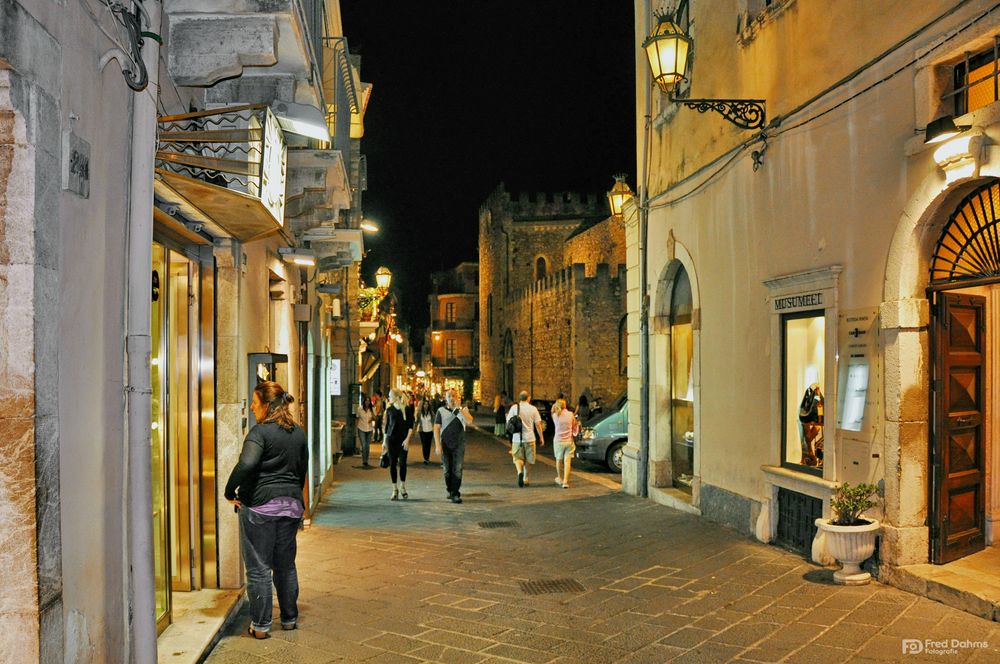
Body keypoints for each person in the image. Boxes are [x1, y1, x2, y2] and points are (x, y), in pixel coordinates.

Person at [224, 381, 307, 638]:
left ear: (268, 405)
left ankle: (260, 625)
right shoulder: (299, 432)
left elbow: (246, 463)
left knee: (259, 567)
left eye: (255, 402)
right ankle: (290, 618)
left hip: (260, 507)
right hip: (291, 506)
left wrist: (230, 491)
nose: (251, 407)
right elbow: (302, 469)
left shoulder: (259, 433)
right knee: (286, 565)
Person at [434, 388, 473, 503]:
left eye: (454, 396)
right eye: (449, 396)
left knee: (457, 469)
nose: (452, 398)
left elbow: (469, 421)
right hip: (445, 444)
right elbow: (436, 427)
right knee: (447, 469)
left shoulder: (463, 409)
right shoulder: (441, 411)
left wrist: (459, 409)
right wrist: (437, 445)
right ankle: (450, 489)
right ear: (445, 398)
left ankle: (455, 493)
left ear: (458, 397)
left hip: (459, 444)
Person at [507, 391, 544, 487]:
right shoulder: (533, 409)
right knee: (529, 459)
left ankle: (519, 472)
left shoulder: (514, 408)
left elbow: (508, 421)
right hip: (530, 438)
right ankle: (525, 478)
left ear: (519, 398)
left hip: (517, 438)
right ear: (528, 398)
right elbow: (538, 424)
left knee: (518, 458)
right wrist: (541, 437)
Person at [381, 389, 411, 500]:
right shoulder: (389, 410)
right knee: (392, 463)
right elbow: (387, 427)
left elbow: (410, 426)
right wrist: (384, 442)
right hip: (391, 440)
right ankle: (394, 489)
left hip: (403, 441)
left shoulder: (407, 409)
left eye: (390, 396)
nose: (389, 397)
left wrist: (407, 439)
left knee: (403, 463)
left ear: (397, 397)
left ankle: (402, 487)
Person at [551, 399, 578, 488]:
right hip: (568, 441)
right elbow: (574, 424)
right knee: (567, 462)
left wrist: (553, 408)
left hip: (558, 441)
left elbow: (552, 413)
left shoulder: (555, 415)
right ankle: (565, 481)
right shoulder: (570, 414)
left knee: (559, 460)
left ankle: (559, 477)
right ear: (565, 405)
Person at [355, 396, 374, 466]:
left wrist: (372, 419)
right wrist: (356, 427)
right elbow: (357, 418)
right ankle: (364, 461)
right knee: (364, 445)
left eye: (369, 401)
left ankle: (367, 459)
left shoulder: (372, 409)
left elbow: (375, 417)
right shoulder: (359, 409)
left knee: (367, 446)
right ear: (364, 401)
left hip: (369, 429)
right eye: (366, 401)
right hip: (361, 428)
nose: (367, 402)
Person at [416, 397, 436, 464]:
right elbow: (417, 422)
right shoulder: (419, 413)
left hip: (430, 431)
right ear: (422, 405)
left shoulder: (431, 413)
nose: (426, 406)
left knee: (428, 445)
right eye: (424, 404)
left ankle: (427, 457)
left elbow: (434, 421)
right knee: (424, 445)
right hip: (422, 431)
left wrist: (435, 429)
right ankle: (425, 458)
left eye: (427, 404)